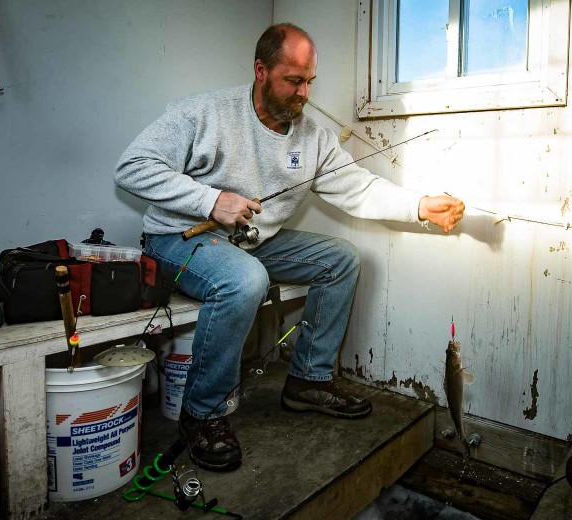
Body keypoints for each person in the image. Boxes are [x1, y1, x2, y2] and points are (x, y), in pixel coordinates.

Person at [114, 23, 465, 471]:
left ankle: (307, 381)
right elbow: (131, 167)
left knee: (340, 259)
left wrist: (418, 205)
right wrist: (211, 200)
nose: (303, 93)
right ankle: (201, 413)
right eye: (293, 81)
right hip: (177, 240)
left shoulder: (313, 137)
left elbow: (357, 188)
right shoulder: (202, 113)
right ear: (261, 70)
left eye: (309, 82)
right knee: (246, 280)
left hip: (251, 241)